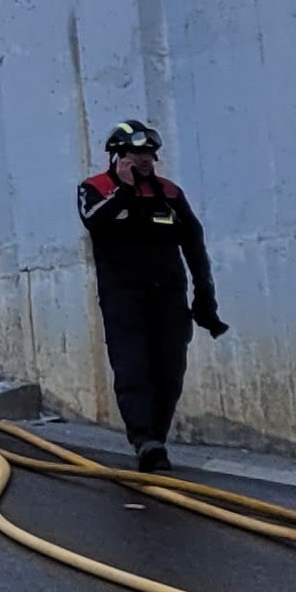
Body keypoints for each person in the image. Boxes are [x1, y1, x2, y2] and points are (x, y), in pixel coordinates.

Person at [77, 121, 225, 472]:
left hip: (169, 298)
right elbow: (94, 222)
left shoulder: (170, 193)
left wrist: (205, 297)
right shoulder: (95, 188)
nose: (145, 160)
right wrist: (124, 190)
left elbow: (194, 245)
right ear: (119, 156)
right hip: (124, 298)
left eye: (149, 154)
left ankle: (156, 438)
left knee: (169, 370)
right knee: (133, 368)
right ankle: (145, 441)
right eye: (136, 153)